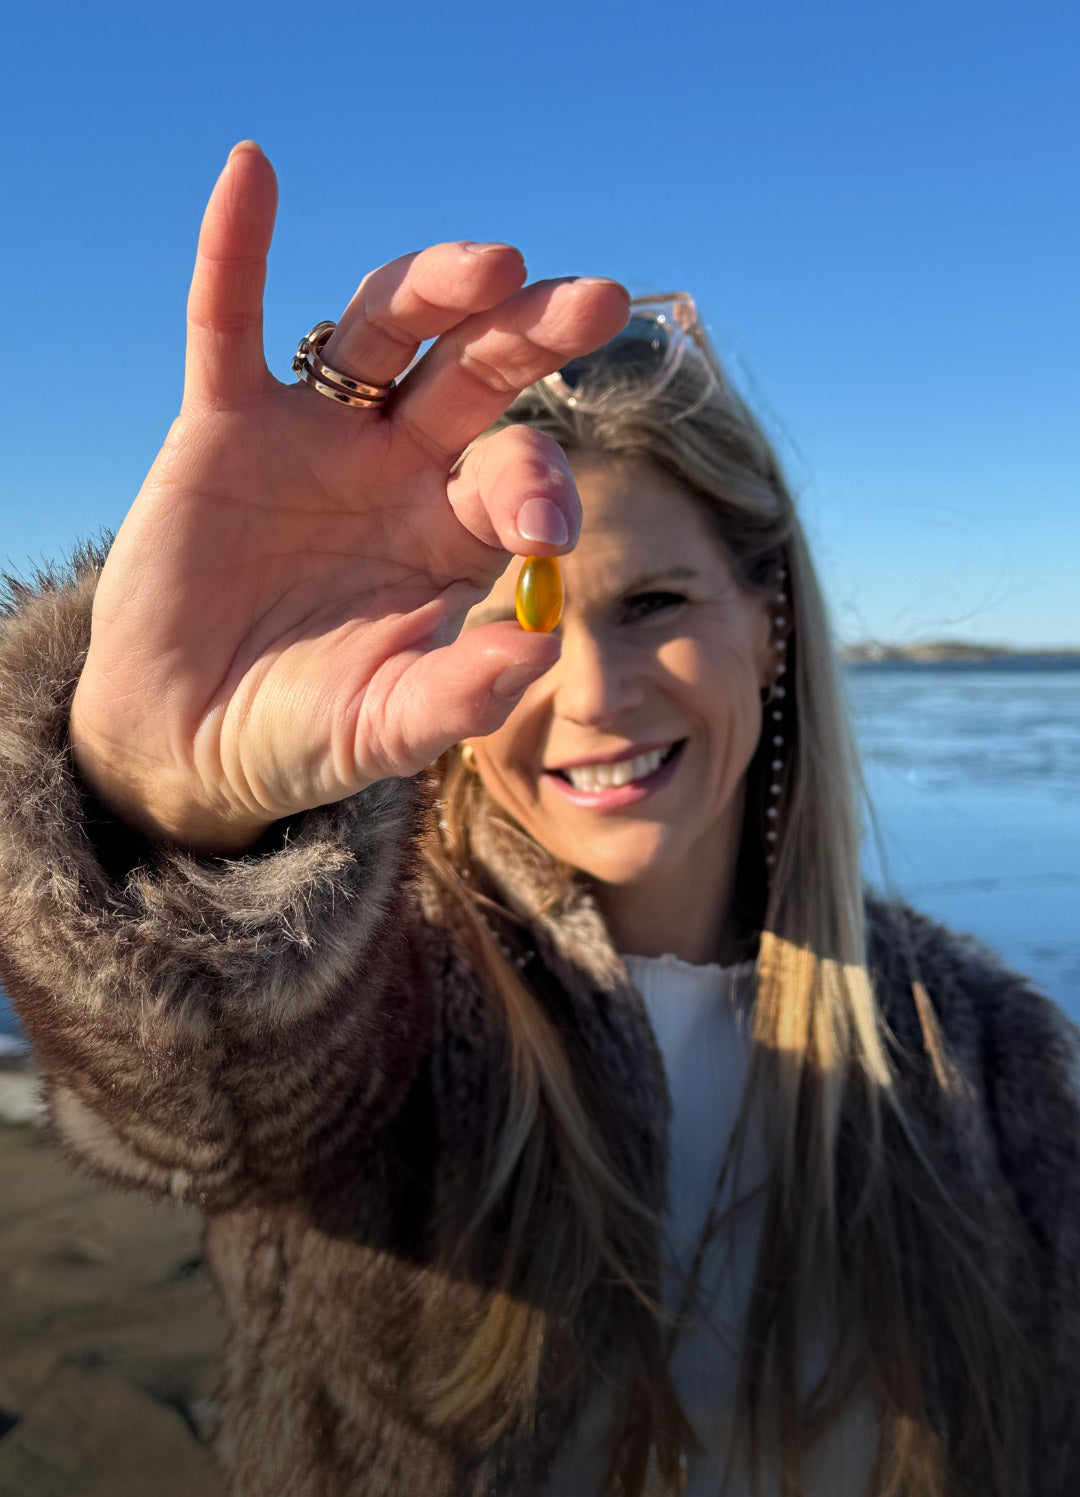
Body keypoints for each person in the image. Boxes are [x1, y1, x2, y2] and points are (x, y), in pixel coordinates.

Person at [0, 141, 1077, 1497]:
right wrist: (175, 809)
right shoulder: (379, 1010)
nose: (593, 696)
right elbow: (204, 1110)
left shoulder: (990, 1062)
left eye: (655, 604)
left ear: (772, 625)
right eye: (517, 618)